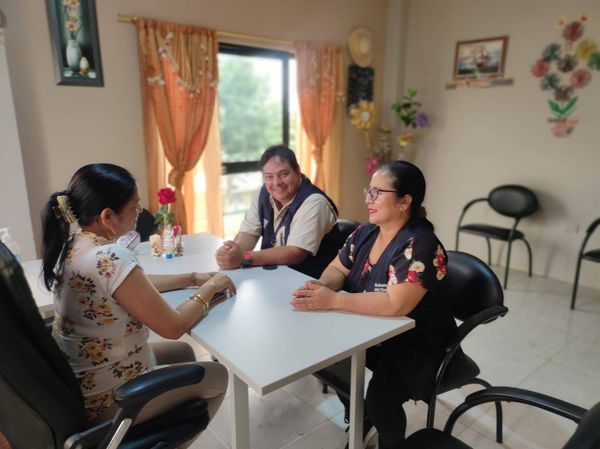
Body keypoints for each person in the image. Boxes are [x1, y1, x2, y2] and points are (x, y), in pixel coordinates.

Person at [41, 163, 235, 443]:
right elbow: (173, 326)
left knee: (182, 352)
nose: (140, 212)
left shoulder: (75, 245)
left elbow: (128, 284)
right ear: (108, 216)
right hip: (108, 402)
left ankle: (164, 432)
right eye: (135, 206)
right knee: (217, 376)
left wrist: (192, 277)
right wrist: (212, 287)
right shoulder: (111, 256)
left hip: (81, 384)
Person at [291, 161, 461, 449]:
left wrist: (335, 300)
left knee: (381, 402)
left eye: (378, 193)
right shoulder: (367, 232)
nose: (368, 199)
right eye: (368, 191)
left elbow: (395, 305)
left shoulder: (420, 245)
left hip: (418, 346)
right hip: (372, 331)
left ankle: (384, 429)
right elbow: (337, 267)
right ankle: (360, 415)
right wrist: (323, 286)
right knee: (327, 360)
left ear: (404, 201)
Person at [215, 145, 338, 277]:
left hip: (310, 280)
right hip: (275, 275)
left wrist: (243, 257)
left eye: (284, 174)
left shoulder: (314, 202)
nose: (276, 182)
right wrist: (233, 251)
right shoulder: (263, 194)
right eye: (269, 176)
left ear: (297, 171)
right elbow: (248, 233)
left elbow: (295, 253)